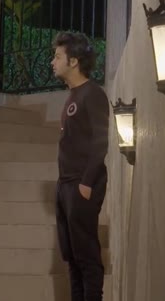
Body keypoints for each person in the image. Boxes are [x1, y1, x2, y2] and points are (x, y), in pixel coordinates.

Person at [51, 32, 110, 301]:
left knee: (86, 257)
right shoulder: (73, 95)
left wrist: (86, 184)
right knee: (72, 257)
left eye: (58, 57)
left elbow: (100, 142)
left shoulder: (93, 94)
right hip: (65, 185)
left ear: (73, 61)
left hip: (81, 185)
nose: (53, 62)